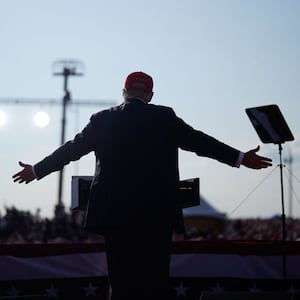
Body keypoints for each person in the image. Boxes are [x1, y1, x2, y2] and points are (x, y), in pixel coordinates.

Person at [12, 71, 272, 300]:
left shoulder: (102, 120)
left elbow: (71, 150)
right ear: (149, 94)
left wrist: (37, 170)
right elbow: (200, 142)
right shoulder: (164, 117)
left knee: (121, 283)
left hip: (114, 216)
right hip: (156, 216)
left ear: (124, 93)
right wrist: (239, 157)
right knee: (155, 283)